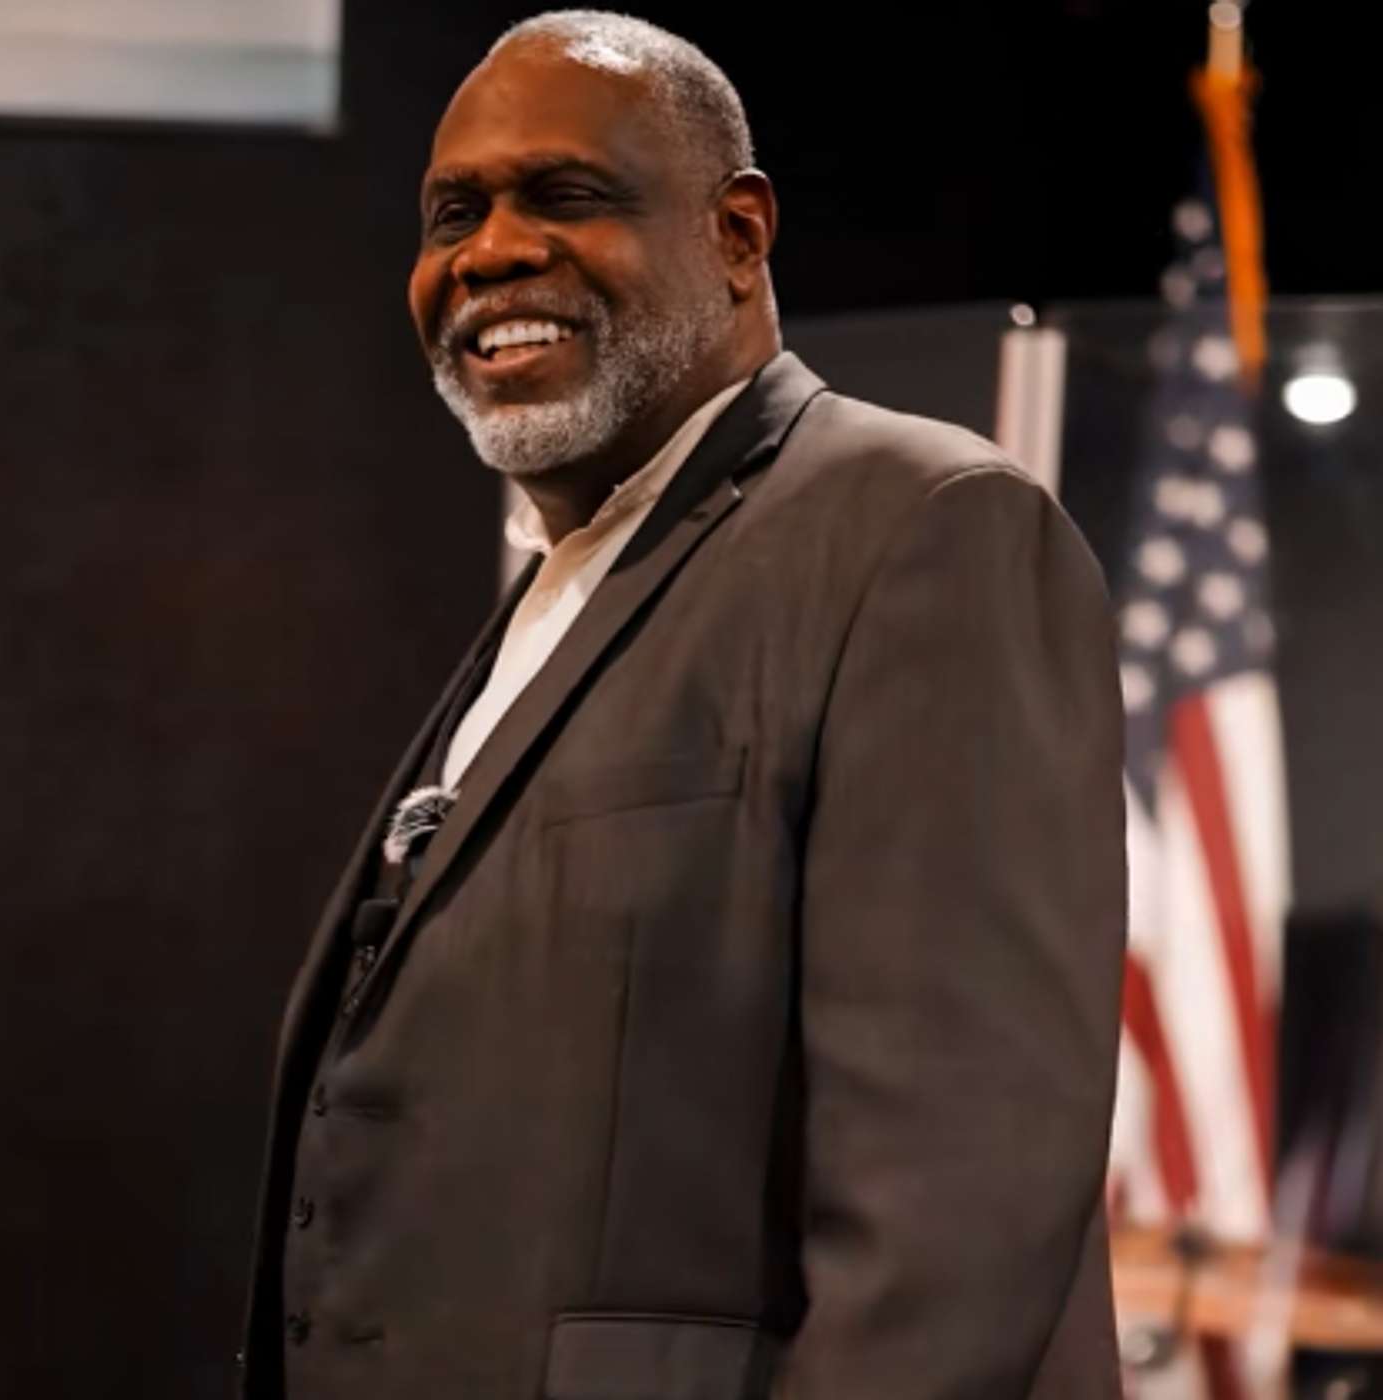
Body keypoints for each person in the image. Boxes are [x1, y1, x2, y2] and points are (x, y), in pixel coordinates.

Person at [238, 11, 1127, 1398]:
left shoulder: (927, 527)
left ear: (738, 235)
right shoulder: (562, 588)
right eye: (453, 213)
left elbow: (958, 1215)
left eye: (565, 195)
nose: (491, 251)